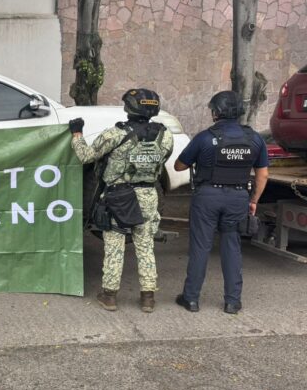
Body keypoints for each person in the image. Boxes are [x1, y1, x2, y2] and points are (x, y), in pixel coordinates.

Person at [68, 89, 174, 312]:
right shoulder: (165, 135)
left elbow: (86, 156)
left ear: (129, 108)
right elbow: (162, 160)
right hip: (148, 195)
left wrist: (77, 133)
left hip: (118, 198)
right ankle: (148, 298)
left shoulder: (115, 134)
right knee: (145, 246)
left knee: (114, 247)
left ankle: (109, 296)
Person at [174, 91, 268, 314]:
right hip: (238, 198)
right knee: (232, 247)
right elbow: (263, 174)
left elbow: (179, 166)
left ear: (216, 112)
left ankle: (191, 299)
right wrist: (253, 201)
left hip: (207, 197)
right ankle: (232, 302)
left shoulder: (205, 138)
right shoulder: (254, 139)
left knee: (200, 247)